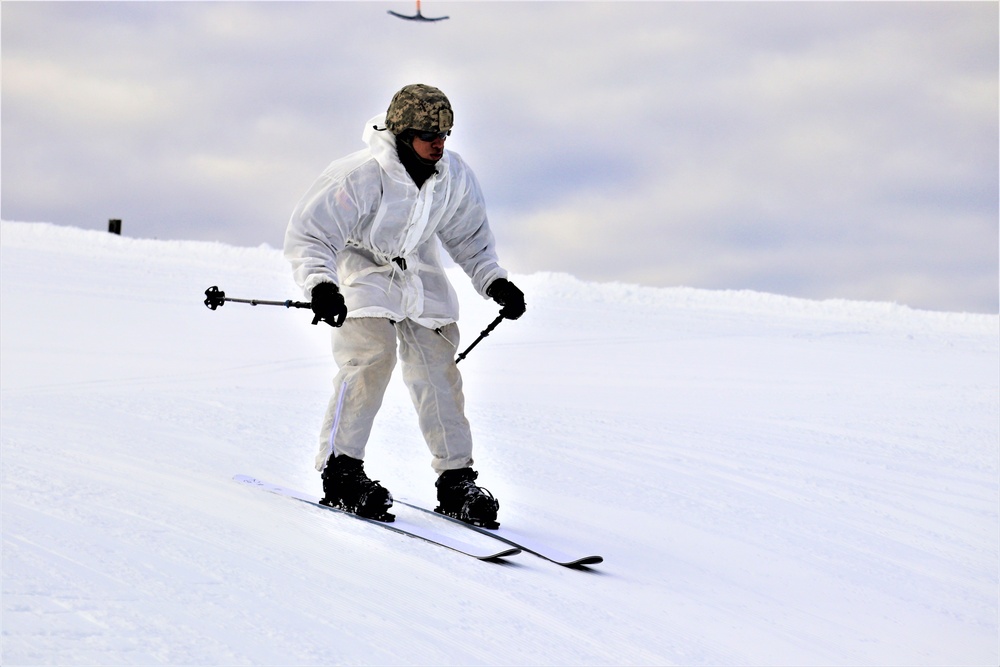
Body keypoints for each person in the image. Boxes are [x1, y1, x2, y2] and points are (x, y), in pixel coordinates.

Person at [284, 84, 525, 528]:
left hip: (419, 272)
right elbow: (311, 235)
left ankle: (456, 481)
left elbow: (470, 238)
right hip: (362, 269)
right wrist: (321, 285)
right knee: (371, 357)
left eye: (445, 134)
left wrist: (495, 283)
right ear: (400, 133)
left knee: (439, 368)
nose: (438, 143)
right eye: (427, 134)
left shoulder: (452, 175)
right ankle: (342, 471)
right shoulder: (357, 175)